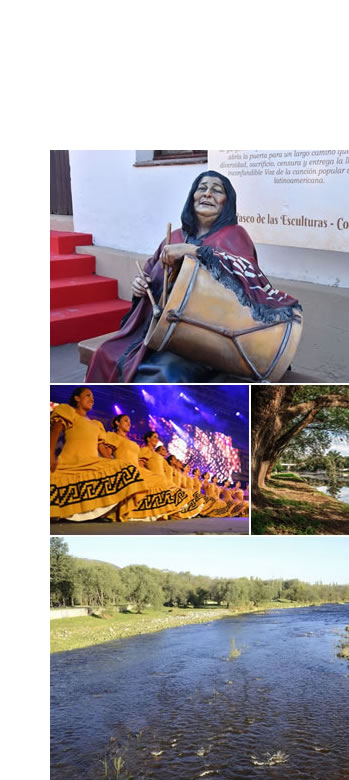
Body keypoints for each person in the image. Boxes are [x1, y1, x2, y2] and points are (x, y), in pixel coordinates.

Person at [86, 170, 301, 385]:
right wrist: (140, 287)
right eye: (202, 188)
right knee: (105, 354)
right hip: (156, 328)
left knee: (162, 373)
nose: (208, 194)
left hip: (203, 337)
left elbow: (248, 275)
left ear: (227, 202)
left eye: (217, 191)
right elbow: (150, 273)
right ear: (192, 197)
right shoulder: (175, 236)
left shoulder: (234, 235)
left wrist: (191, 251)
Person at [50, 388, 142, 520]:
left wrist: (112, 464)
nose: (92, 399)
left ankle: (100, 513)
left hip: (93, 462)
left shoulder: (96, 424)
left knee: (127, 468)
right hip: (72, 461)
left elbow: (103, 449)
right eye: (88, 395)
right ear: (77, 398)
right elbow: (55, 431)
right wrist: (50, 454)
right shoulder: (68, 411)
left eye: (93, 397)